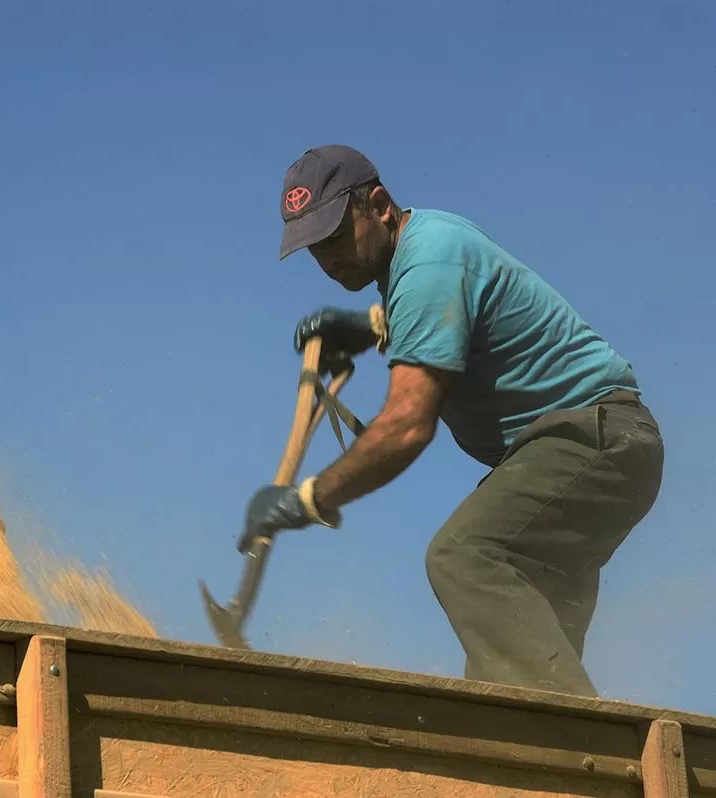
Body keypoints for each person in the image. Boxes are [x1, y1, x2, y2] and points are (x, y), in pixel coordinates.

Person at [240, 144, 664, 697]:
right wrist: (370, 326)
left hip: (592, 442)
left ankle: (590, 756)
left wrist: (307, 499)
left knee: (464, 556)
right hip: (600, 449)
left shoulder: (430, 262)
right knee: (507, 685)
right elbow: (455, 306)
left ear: (380, 204)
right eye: (315, 248)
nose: (328, 259)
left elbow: (407, 426)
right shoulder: (424, 249)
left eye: (336, 236)